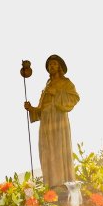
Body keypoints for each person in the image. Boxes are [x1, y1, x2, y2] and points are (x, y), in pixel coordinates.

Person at [23, 54, 80, 188]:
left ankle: (62, 183)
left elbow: (75, 98)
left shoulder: (66, 83)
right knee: (46, 151)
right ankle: (50, 184)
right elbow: (42, 109)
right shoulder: (47, 85)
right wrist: (31, 108)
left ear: (59, 66)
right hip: (46, 123)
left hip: (58, 120)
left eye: (54, 63)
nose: (51, 66)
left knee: (58, 149)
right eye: (49, 65)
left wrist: (57, 93)